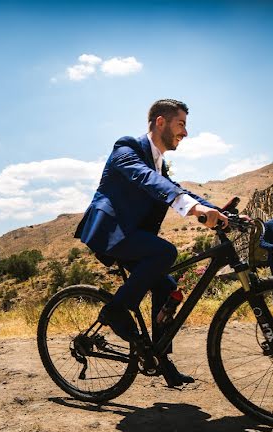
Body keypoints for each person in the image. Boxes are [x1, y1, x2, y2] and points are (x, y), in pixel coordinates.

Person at [74, 99, 228, 387]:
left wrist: (221, 211)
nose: (185, 132)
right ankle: (116, 312)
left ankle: (160, 359)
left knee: (168, 289)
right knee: (165, 252)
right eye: (181, 124)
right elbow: (146, 180)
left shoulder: (159, 163)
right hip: (112, 232)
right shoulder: (127, 147)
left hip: (132, 235)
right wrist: (194, 211)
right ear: (161, 122)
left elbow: (178, 190)